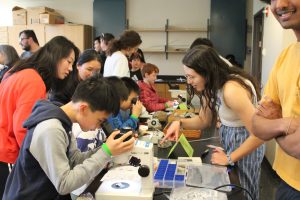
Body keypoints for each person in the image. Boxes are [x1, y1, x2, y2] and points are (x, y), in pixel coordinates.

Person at [3, 76, 135, 199]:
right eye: (100, 120)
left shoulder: (63, 121)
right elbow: (64, 184)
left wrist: (107, 148)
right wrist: (106, 152)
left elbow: (74, 160)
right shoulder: (51, 128)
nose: (97, 127)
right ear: (83, 108)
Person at [161, 45, 265, 200]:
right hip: (233, 143)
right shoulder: (212, 87)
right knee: (233, 189)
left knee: (245, 192)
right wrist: (178, 122)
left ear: (206, 72)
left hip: (247, 144)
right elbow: (203, 120)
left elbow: (260, 134)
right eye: (187, 76)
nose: (189, 82)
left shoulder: (231, 90)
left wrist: (230, 158)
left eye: (192, 76)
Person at [0, 36, 79, 199]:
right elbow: (25, 129)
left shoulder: (18, 70)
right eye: (69, 61)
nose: (70, 68)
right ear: (56, 56)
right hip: (6, 151)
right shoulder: (33, 80)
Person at [252, 0, 300, 199]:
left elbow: (298, 147)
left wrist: (276, 124)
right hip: (285, 181)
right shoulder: (286, 56)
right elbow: (257, 124)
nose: (280, 4)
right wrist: (286, 124)